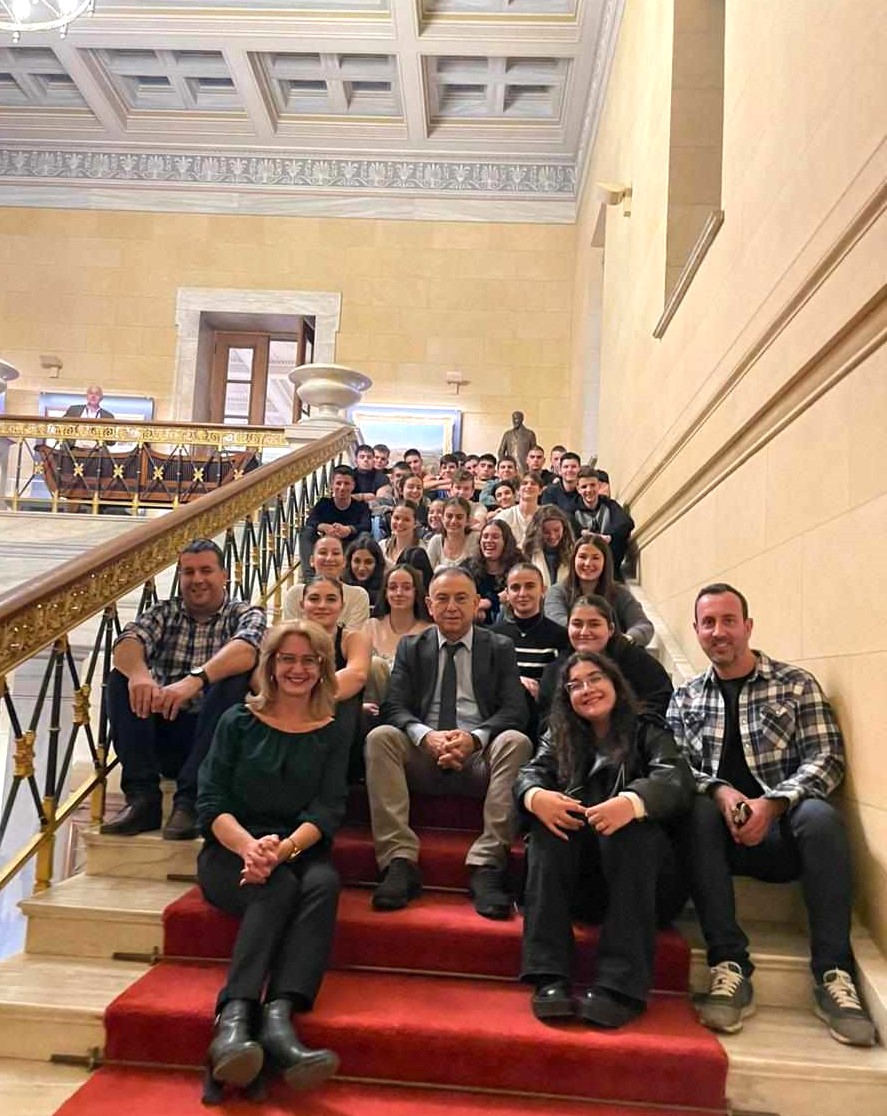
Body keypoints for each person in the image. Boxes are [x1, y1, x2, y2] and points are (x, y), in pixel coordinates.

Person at [668, 584, 876, 1047]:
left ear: (748, 626)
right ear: (696, 630)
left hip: (784, 834)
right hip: (715, 841)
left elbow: (826, 758)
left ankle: (834, 974)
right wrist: (720, 791)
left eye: (728, 620)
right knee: (696, 812)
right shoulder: (685, 697)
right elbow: (675, 766)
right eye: (708, 623)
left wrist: (774, 803)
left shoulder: (795, 685)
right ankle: (729, 963)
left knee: (821, 818)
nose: (719, 632)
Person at [196, 620, 347, 1097]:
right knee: (275, 886)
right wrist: (250, 848)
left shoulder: (333, 730)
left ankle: (280, 1017)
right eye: (287, 659)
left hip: (297, 847)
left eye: (309, 660)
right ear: (271, 665)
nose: (298, 669)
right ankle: (235, 1017)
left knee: (322, 884)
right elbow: (211, 802)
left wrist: (282, 850)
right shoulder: (236, 721)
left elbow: (327, 810)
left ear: (323, 668)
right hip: (230, 849)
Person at [515, 652, 693, 1027]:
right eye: (575, 685)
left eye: (595, 678)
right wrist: (536, 796)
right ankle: (549, 977)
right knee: (549, 829)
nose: (587, 689)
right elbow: (530, 773)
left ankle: (620, 985)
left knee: (632, 831)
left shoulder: (647, 728)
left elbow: (675, 777)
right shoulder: (559, 735)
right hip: (584, 885)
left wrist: (632, 803)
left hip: (643, 883)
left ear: (614, 683)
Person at [366, 568, 532, 919]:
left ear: (476, 603)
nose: (452, 606)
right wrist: (425, 736)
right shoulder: (412, 647)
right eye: (442, 598)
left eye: (461, 598)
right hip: (424, 753)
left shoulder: (499, 647)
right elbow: (393, 707)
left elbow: (515, 710)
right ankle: (398, 861)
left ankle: (487, 865)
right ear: (429, 604)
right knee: (381, 738)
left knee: (516, 741)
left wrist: (474, 739)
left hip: (479, 757)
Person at [101, 539, 265, 840]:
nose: (197, 579)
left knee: (231, 681)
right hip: (164, 732)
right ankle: (142, 799)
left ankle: (190, 802)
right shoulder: (165, 612)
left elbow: (246, 650)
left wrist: (195, 680)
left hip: (212, 741)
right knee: (120, 679)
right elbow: (128, 641)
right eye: (188, 572)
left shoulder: (244, 613)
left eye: (206, 570)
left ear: (224, 576)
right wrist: (139, 675)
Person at [538, 596, 673, 729]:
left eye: (594, 624)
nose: (584, 632)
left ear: (611, 629)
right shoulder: (556, 671)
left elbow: (659, 701)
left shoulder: (638, 663)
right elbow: (547, 718)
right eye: (577, 624)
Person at [300, 575, 371, 782]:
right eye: (314, 599)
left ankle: (334, 784)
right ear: (302, 604)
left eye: (331, 599)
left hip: (337, 721)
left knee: (347, 702)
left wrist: (300, 697)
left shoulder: (353, 638)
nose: (322, 605)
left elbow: (357, 675)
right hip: (292, 718)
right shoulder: (286, 638)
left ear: (342, 605)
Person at [493, 563, 570, 739]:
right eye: (515, 588)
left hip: (544, 719)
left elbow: (561, 685)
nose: (522, 593)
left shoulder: (560, 636)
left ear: (543, 590)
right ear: (507, 593)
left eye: (530, 586)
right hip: (503, 720)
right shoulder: (493, 635)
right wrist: (518, 682)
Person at [544, 535, 653, 647]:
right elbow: (556, 622)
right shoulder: (557, 592)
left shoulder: (620, 593)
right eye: (582, 557)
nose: (588, 563)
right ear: (573, 560)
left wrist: (626, 639)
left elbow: (643, 625)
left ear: (605, 561)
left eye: (595, 558)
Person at [363, 564, 432, 712]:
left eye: (406, 588)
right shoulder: (370, 626)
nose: (399, 593)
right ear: (385, 592)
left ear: (416, 592)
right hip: (371, 709)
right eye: (393, 587)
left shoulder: (430, 632)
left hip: (412, 708)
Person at [284, 535, 370, 630]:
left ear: (344, 562)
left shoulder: (358, 595)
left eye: (335, 553)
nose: (329, 558)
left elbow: (353, 636)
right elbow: (292, 634)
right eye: (323, 553)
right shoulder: (295, 593)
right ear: (312, 561)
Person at [299, 465, 371, 575]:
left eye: (346, 484)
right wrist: (323, 526)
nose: (342, 488)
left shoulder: (361, 506)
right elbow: (311, 521)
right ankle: (309, 576)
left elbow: (366, 525)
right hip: (326, 544)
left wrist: (349, 529)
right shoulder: (324, 503)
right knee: (307, 532)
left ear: (353, 485)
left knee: (365, 536)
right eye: (338, 483)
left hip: (350, 546)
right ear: (332, 485)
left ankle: (355, 574)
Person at [573, 467, 634, 579]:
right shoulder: (572, 509)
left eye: (592, 485)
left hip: (608, 560)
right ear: (578, 489)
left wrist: (609, 537)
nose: (589, 490)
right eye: (584, 487)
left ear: (598, 486)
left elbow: (627, 522)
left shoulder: (610, 505)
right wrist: (582, 532)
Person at [460, 519, 523, 627]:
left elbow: (517, 594)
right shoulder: (468, 567)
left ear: (506, 542)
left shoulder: (519, 566)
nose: (489, 541)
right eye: (485, 536)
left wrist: (489, 602)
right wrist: (474, 610)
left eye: (495, 537)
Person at [522, 506, 575, 589]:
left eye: (556, 530)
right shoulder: (526, 552)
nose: (552, 536)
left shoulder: (574, 553)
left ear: (564, 529)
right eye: (546, 532)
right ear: (537, 531)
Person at [425, 495, 477, 568]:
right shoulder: (436, 541)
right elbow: (427, 571)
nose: (453, 521)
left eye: (459, 517)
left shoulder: (476, 539)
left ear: (467, 520)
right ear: (442, 518)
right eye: (449, 516)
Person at [494, 470, 542, 547]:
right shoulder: (504, 516)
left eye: (533, 484)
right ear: (517, 491)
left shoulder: (547, 515)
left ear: (540, 490)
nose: (528, 486)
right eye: (524, 483)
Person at [343, 533, 385, 610]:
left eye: (368, 562)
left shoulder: (385, 592)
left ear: (377, 564)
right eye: (357, 561)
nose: (361, 568)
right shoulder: (339, 588)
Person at [381, 500, 423, 567]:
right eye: (396, 518)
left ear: (415, 523)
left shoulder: (423, 549)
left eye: (406, 520)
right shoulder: (382, 546)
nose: (400, 523)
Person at [541, 451, 582, 517]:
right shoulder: (549, 492)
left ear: (579, 469)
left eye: (573, 467)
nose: (569, 470)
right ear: (560, 470)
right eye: (566, 467)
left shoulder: (584, 490)